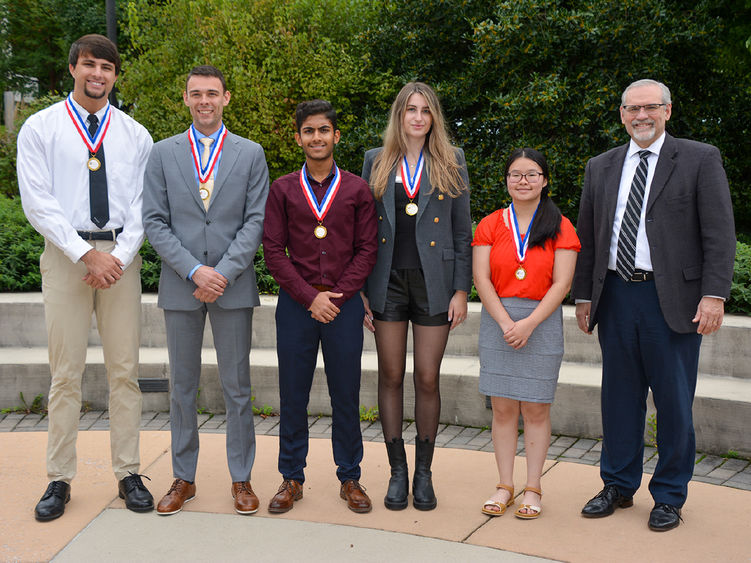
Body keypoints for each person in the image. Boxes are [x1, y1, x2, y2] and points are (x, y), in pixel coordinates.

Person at [573, 79, 736, 531]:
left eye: (650, 107)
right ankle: (618, 485)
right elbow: (589, 238)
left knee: (674, 403)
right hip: (617, 298)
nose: (640, 115)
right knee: (619, 400)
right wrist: (584, 295)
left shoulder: (700, 158)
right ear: (622, 113)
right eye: (632, 108)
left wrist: (713, 294)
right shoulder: (600, 166)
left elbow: (720, 233)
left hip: (676, 302)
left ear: (667, 110)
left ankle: (668, 495)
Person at [16, 34, 154, 521]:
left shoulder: (135, 135)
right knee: (65, 374)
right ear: (73, 67)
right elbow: (36, 201)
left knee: (124, 372)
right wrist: (84, 255)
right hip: (64, 255)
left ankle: (129, 472)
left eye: (107, 68)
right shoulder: (41, 127)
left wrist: (117, 255)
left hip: (121, 257)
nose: (98, 74)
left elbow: (143, 205)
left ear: (116, 76)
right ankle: (59, 478)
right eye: (90, 65)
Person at [142, 65, 269, 516]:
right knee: (182, 387)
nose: (204, 101)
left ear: (226, 98)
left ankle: (241, 478)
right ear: (185, 98)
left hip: (232, 289)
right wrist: (196, 270)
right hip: (182, 287)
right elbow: (154, 222)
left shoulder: (251, 153)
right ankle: (184, 478)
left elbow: (256, 221)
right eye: (196, 94)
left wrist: (224, 273)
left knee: (237, 387)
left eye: (212, 94)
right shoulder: (162, 153)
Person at [361, 82, 472, 511]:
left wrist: (462, 289)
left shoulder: (451, 160)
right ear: (399, 115)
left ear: (434, 117)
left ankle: (424, 473)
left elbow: (462, 232)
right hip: (386, 281)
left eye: (426, 110)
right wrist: (362, 292)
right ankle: (397, 472)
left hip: (435, 283)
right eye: (411, 109)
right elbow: (365, 229)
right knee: (390, 376)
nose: (418, 117)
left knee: (427, 377)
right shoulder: (377, 159)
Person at [262, 100, 378, 514]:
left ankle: (350, 476)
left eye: (323, 130)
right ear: (298, 138)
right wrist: (311, 298)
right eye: (308, 131)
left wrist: (338, 297)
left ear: (336, 136)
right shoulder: (282, 189)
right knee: (293, 393)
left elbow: (367, 250)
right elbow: (273, 252)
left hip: (343, 305)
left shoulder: (357, 190)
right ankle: (291, 477)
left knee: (345, 393)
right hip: (297, 304)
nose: (316, 138)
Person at [472, 148, 580, 520]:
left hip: (541, 321)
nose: (523, 181)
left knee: (536, 408)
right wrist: (506, 323)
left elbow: (562, 282)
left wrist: (529, 323)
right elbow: (481, 278)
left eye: (532, 174)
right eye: (516, 174)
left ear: (545, 180)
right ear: (506, 180)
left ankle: (533, 486)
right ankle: (505, 485)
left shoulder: (561, 225)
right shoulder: (490, 224)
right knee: (502, 409)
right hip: (499, 320)